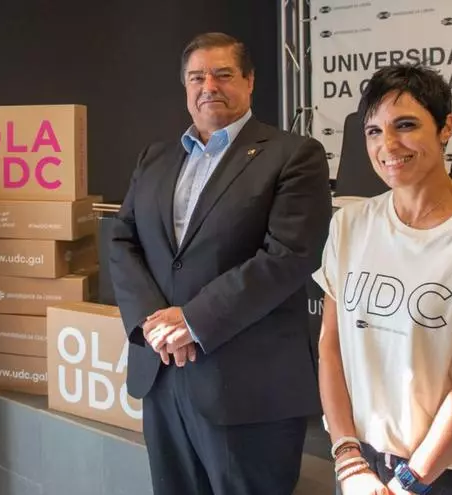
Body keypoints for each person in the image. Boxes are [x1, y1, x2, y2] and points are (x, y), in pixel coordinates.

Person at [109, 32, 332, 495]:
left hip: (248, 387)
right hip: (163, 376)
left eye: (223, 74)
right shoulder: (155, 157)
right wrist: (154, 323)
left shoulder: (294, 154)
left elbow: (289, 256)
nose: (208, 86)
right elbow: (122, 239)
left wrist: (192, 320)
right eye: (197, 77)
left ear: (249, 82)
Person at [313, 64, 452, 495]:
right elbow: (331, 345)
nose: (388, 145)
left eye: (406, 125)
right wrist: (348, 459)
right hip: (363, 462)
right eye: (374, 131)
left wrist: (410, 481)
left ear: (446, 127)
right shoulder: (350, 225)